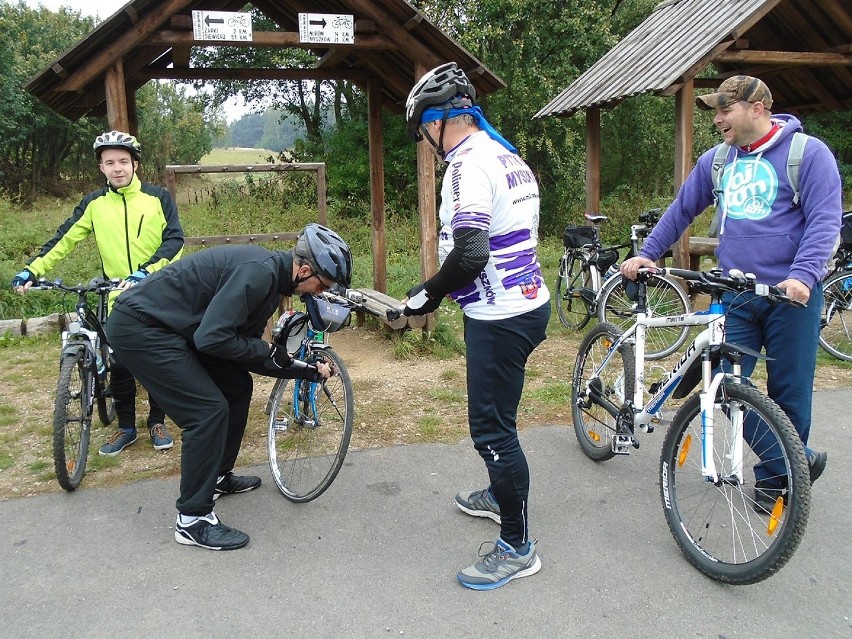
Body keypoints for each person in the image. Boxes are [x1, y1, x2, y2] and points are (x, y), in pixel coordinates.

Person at [621, 75, 842, 512]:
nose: (718, 119)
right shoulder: (718, 161)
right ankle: (797, 462)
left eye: (725, 110)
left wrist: (802, 276)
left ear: (757, 109)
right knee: (722, 384)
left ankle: (778, 481)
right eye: (716, 111)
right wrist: (648, 253)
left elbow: (824, 221)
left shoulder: (807, 155)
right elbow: (682, 209)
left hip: (790, 296)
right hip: (735, 293)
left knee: (790, 394)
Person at [105, 223, 352, 550]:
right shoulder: (258, 274)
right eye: (322, 285)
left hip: (179, 331)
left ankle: (217, 477)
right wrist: (270, 352)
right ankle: (192, 520)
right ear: (304, 270)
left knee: (236, 386)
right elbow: (213, 339)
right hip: (141, 328)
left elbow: (237, 350)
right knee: (206, 411)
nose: (319, 293)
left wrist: (304, 370)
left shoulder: (271, 284)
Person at [402, 62, 551, 589]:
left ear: (439, 121)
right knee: (501, 420)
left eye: (424, 130)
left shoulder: (466, 166)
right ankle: (499, 492)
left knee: (492, 432)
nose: (425, 141)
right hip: (525, 305)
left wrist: (429, 292)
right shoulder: (508, 157)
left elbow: (470, 250)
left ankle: (516, 545)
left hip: (499, 316)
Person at [11, 130, 184, 455]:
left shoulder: (157, 197)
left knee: (158, 360)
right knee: (118, 363)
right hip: (117, 296)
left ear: (135, 164)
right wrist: (32, 269)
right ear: (102, 168)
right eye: (109, 163)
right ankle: (126, 428)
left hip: (158, 290)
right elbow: (64, 240)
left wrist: (145, 271)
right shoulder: (95, 204)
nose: (117, 168)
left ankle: (157, 421)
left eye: (122, 161)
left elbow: (175, 241)